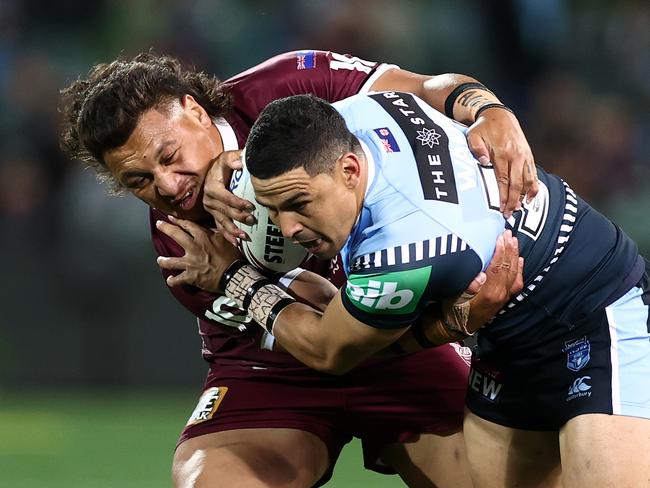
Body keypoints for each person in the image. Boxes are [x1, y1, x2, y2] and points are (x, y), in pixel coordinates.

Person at [60, 50, 530, 487]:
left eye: (168, 156)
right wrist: (449, 323)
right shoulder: (179, 244)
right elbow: (325, 339)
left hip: (393, 341)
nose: (167, 185)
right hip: (273, 370)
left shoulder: (289, 86)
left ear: (197, 112)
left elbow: (422, 88)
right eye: (139, 181)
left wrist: (489, 110)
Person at [175, 91, 649, 487]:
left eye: (299, 204)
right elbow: (436, 85)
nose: (289, 227)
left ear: (349, 170)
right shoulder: (360, 111)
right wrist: (487, 107)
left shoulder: (404, 248)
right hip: (507, 336)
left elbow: (329, 351)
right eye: (272, 207)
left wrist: (236, 278)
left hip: (593, 314)